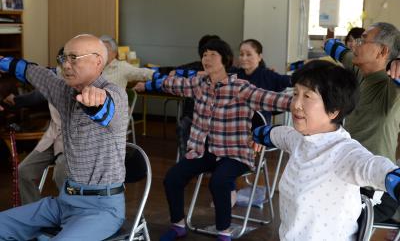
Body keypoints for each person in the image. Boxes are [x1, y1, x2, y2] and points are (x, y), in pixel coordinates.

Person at [135, 39, 292, 241]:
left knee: (219, 181)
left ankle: (224, 232)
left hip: (235, 154)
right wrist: (146, 85)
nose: (206, 59)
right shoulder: (198, 84)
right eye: (204, 55)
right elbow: (171, 84)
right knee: (173, 178)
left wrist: (302, 103)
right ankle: (178, 225)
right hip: (205, 150)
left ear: (225, 60)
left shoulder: (240, 88)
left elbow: (272, 99)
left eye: (212, 55)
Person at [252, 60, 400, 241]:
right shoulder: (299, 138)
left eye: (307, 96)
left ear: (333, 110)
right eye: (296, 93)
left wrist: (393, 179)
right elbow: (278, 134)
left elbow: (372, 166)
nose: (296, 104)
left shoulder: (344, 153)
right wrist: (259, 134)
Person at [0, 34, 129, 240]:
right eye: (64, 58)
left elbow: (106, 108)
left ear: (98, 61)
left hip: (102, 209)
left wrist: (95, 102)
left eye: (74, 58)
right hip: (64, 202)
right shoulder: (63, 91)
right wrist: (3, 62)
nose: (66, 65)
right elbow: (32, 71)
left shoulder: (114, 94)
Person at [324, 22, 400, 223]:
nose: (355, 46)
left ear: (383, 51)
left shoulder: (392, 86)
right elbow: (330, 44)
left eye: (362, 41)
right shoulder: (358, 69)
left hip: (375, 187)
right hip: (346, 173)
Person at [4, 88, 66, 205]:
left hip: (73, 141)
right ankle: (33, 214)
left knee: (60, 174)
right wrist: (14, 101)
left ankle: (73, 216)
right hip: (52, 136)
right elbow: (39, 94)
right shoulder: (53, 74)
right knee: (23, 171)